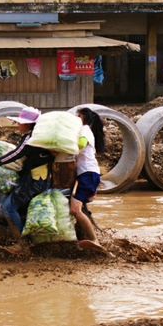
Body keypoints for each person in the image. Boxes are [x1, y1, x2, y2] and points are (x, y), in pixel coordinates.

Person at [0, 106, 54, 255]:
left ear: (28, 124)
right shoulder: (38, 136)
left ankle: (23, 245)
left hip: (35, 179)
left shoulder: (30, 138)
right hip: (41, 176)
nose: (18, 125)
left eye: (20, 122)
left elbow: (16, 153)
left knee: (8, 207)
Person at [73, 108, 108, 254]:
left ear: (81, 117)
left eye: (77, 116)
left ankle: (95, 240)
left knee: (74, 209)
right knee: (81, 208)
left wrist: (64, 147)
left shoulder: (85, 130)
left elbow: (80, 145)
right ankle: (88, 234)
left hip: (87, 173)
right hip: (87, 173)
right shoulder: (85, 130)